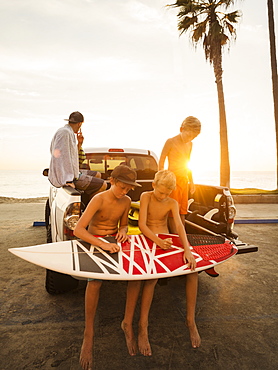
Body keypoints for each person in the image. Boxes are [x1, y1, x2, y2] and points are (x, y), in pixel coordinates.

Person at [121, 170, 200, 357]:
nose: (163, 196)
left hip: (164, 241)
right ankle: (135, 325)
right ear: (153, 185)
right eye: (161, 192)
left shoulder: (172, 202)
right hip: (148, 240)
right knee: (142, 277)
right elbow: (142, 225)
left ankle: (190, 320)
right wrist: (157, 241)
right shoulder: (145, 196)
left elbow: (179, 226)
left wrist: (187, 250)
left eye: (167, 194)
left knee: (193, 271)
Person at [73, 165, 141, 370]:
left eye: (128, 189)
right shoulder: (99, 199)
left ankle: (127, 323)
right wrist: (101, 244)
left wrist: (123, 230)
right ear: (111, 181)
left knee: (136, 277)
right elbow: (78, 229)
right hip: (95, 242)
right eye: (121, 187)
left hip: (114, 243)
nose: (124, 192)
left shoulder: (127, 200)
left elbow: (122, 224)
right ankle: (89, 334)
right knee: (94, 284)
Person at [48, 111, 106, 199]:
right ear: (79, 124)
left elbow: (71, 155)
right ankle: (91, 208)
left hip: (73, 173)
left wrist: (79, 144)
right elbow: (61, 158)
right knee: (103, 185)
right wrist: (67, 180)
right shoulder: (65, 133)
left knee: (97, 174)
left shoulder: (68, 132)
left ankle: (85, 200)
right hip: (66, 177)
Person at [158, 116, 201, 234]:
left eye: (194, 137)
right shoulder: (170, 141)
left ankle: (182, 234)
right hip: (172, 181)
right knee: (173, 212)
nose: (190, 138)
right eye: (189, 135)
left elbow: (188, 163)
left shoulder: (190, 145)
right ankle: (176, 236)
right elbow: (161, 161)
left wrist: (191, 182)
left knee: (183, 211)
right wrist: (161, 180)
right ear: (181, 129)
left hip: (184, 181)